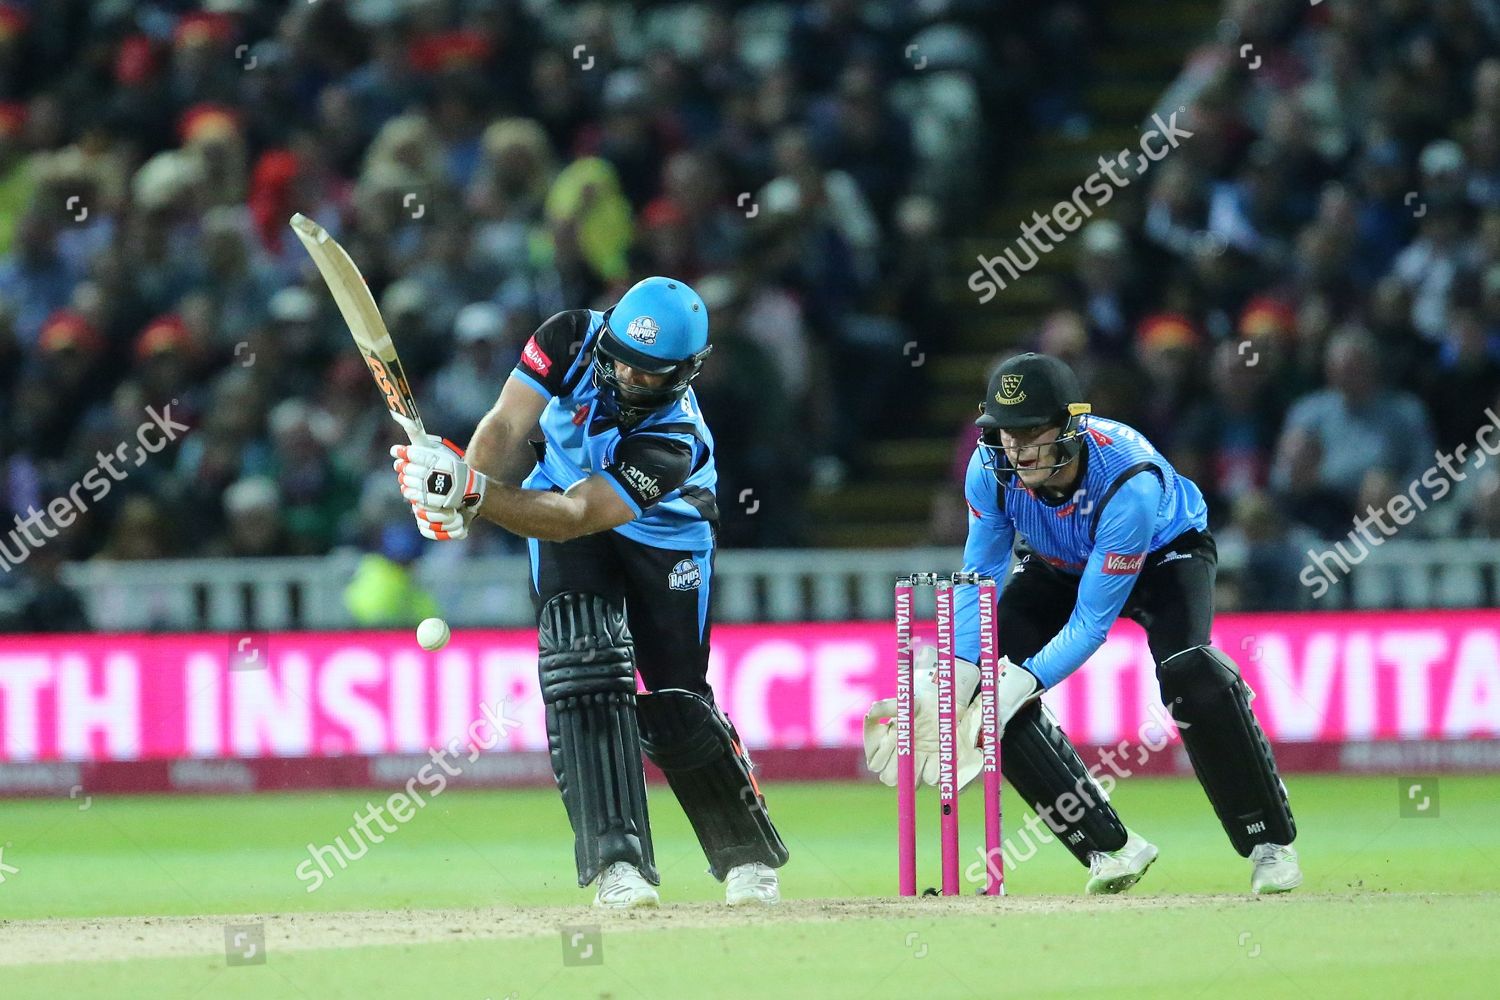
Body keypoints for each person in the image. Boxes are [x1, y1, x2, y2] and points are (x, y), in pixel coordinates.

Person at [391, 276, 787, 908]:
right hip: (560, 493)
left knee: (677, 698)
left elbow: (578, 514)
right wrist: (462, 492)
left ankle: (747, 856)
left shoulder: (674, 441)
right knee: (581, 666)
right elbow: (504, 425)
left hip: (664, 534)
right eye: (623, 363)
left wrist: (474, 495)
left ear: (688, 371)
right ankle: (618, 864)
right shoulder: (570, 336)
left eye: (652, 374)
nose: (632, 381)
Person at [865, 352, 1300, 895]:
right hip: (1059, 562)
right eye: (1004, 434)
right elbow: (982, 576)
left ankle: (1270, 844)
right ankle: (1110, 848)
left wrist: (1020, 680)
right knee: (988, 697)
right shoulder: (989, 469)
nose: (1015, 450)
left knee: (1191, 674)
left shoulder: (1128, 482)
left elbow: (1093, 621)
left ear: (1070, 427)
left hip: (1164, 558)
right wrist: (958, 673)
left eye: (1030, 433)